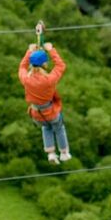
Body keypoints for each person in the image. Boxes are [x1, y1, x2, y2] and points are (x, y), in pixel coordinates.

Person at [19, 28, 69, 163]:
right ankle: (64, 153)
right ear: (44, 64)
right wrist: (51, 49)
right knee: (59, 128)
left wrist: (29, 51)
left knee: (46, 128)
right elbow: (61, 65)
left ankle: (51, 154)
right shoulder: (49, 80)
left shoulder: (26, 79)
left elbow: (21, 67)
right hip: (50, 111)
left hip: (36, 113)